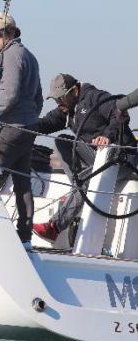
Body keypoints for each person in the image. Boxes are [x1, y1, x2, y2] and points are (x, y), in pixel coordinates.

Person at [33, 73, 137, 242]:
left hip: (123, 160)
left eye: (61, 99)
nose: (59, 103)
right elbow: (45, 124)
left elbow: (120, 114)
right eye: (56, 100)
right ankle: (78, 187)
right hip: (99, 159)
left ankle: (55, 227)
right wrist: (18, 126)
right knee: (62, 142)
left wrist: (107, 136)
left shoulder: (94, 97)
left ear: (74, 91)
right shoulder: (67, 109)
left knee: (86, 179)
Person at [0, 12, 43, 249]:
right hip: (28, 128)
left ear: (10, 34)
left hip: (11, 127)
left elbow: (8, 95)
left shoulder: (9, 56)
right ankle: (25, 236)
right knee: (22, 183)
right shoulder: (28, 55)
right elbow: (38, 99)